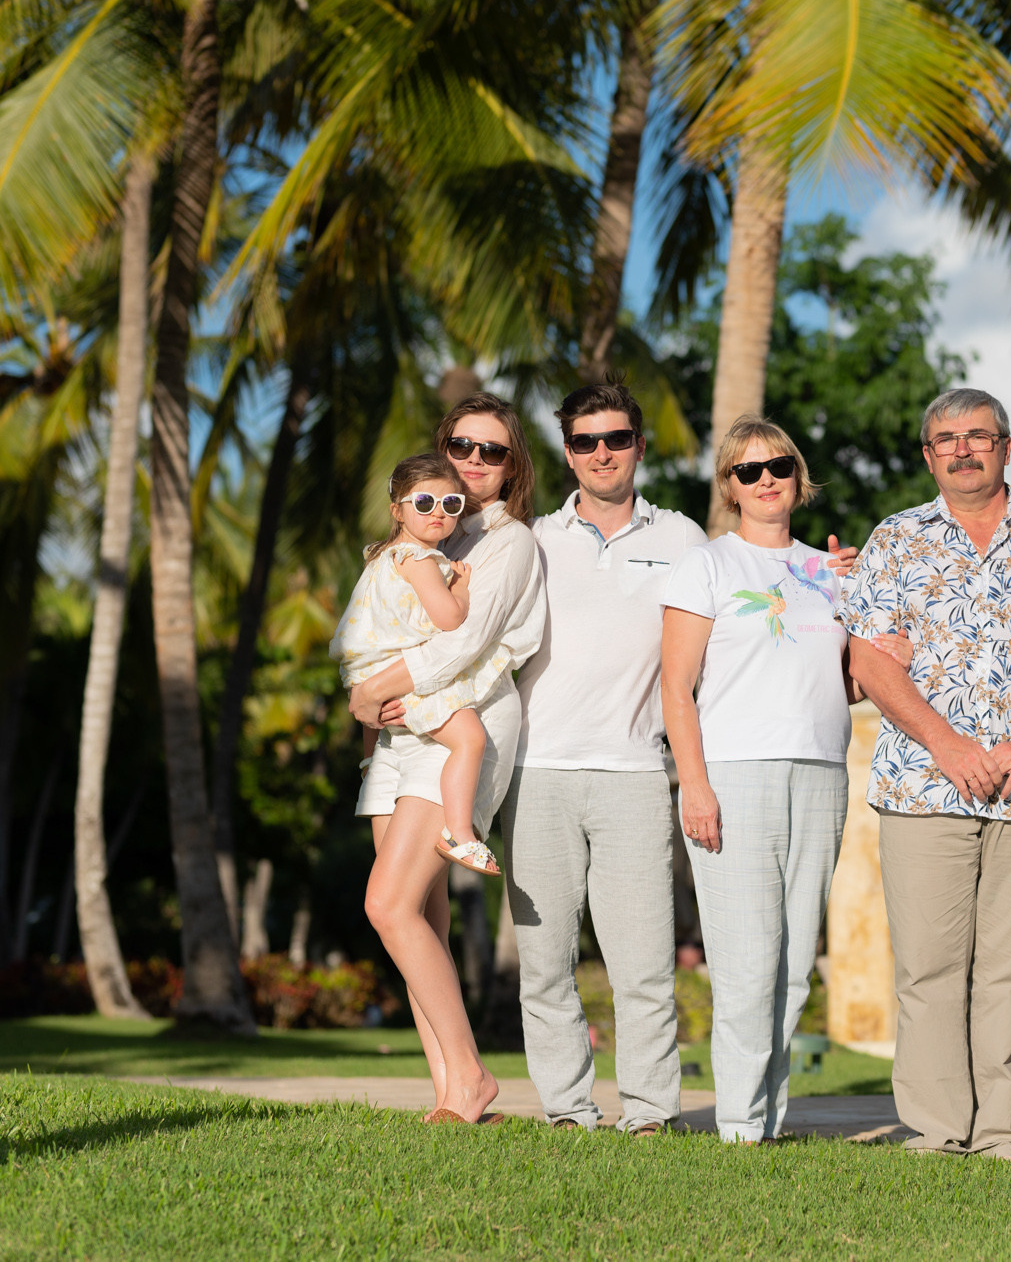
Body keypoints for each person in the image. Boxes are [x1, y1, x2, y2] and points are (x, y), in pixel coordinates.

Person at [500, 384, 857, 1134]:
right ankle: (567, 1109)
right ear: (568, 452)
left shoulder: (686, 539)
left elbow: (780, 655)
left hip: (637, 769)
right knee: (546, 962)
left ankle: (651, 1112)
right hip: (539, 768)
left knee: (645, 967)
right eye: (587, 441)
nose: (603, 453)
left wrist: (843, 587)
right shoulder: (531, 540)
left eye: (617, 438)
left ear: (638, 445)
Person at [841, 386, 1011, 1160]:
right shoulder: (895, 538)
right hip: (923, 783)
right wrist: (947, 744)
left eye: (978, 435)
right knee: (928, 966)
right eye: (947, 439)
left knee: (1009, 971)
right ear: (928, 455)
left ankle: (999, 1133)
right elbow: (869, 660)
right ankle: (937, 1129)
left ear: (1005, 446)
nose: (963, 449)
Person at [660, 415, 867, 1144]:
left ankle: (769, 1121)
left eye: (779, 465)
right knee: (747, 962)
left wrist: (869, 608)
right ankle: (740, 1125)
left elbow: (847, 683)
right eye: (749, 470)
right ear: (731, 486)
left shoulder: (833, 571)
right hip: (734, 773)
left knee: (794, 963)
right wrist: (695, 785)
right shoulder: (707, 566)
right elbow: (675, 688)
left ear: (798, 476)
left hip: (821, 771)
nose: (767, 479)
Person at [346, 392, 546, 1125]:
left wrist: (371, 690)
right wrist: (370, 702)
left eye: (492, 450)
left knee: (387, 903)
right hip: (400, 734)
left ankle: (470, 1076)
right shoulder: (429, 532)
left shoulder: (508, 543)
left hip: (464, 723)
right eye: (462, 446)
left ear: (512, 464)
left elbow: (462, 644)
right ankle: (451, 1095)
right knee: (417, 918)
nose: (474, 460)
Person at [333, 454, 500, 877]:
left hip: (371, 673)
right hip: (401, 677)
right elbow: (449, 617)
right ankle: (460, 833)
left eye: (451, 504)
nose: (438, 513)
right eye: (424, 503)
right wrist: (461, 589)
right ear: (398, 510)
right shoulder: (420, 560)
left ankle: (370, 763)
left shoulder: (382, 556)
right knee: (471, 739)